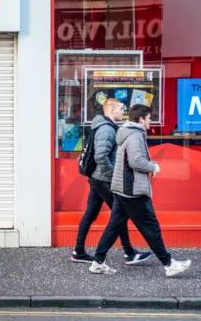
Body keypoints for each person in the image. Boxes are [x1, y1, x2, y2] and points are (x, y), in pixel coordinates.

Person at [89, 104, 192, 278]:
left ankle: (98, 262)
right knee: (151, 227)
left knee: (114, 227)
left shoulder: (127, 132)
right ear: (141, 119)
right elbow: (136, 161)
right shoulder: (135, 135)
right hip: (132, 190)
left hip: (123, 188)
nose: (150, 123)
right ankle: (168, 264)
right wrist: (154, 166)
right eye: (149, 119)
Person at [71, 98, 153, 265]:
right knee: (119, 214)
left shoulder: (104, 126)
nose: (123, 112)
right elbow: (101, 156)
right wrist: (115, 174)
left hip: (97, 177)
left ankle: (78, 251)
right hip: (103, 179)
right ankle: (129, 252)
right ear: (111, 110)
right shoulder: (107, 129)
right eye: (121, 109)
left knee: (91, 214)